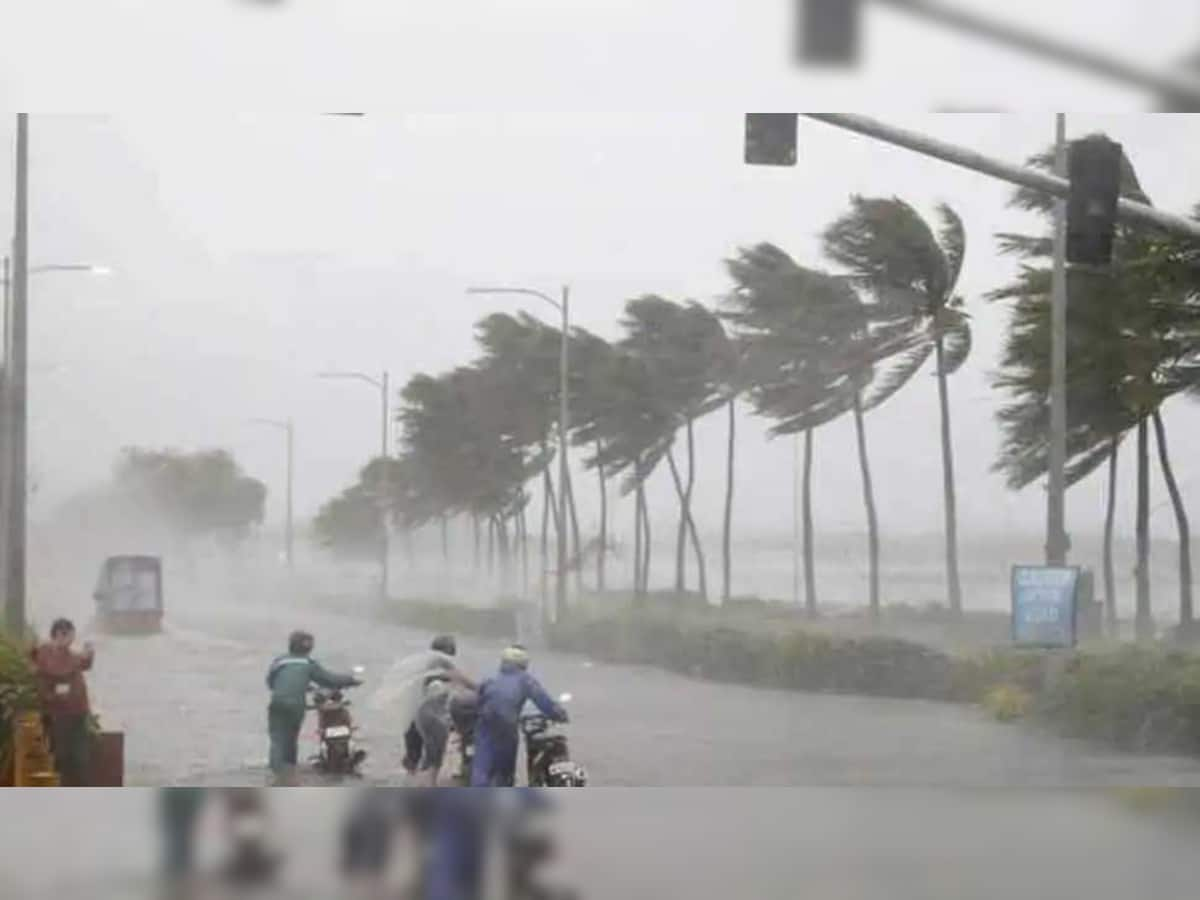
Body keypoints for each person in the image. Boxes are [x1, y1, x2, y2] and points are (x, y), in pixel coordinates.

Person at [265, 630, 360, 784]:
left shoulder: (279, 662)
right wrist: (351, 680)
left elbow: (270, 682)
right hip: (296, 706)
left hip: (277, 703)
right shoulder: (309, 664)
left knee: (277, 739)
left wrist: (297, 687)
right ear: (309, 649)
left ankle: (277, 775)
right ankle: (289, 771)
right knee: (291, 739)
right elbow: (329, 680)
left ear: (290, 645)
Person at [470, 645, 567, 787]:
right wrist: (560, 715)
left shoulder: (489, 678)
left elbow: (478, 702)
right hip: (507, 728)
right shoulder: (525, 680)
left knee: (482, 766)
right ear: (523, 664)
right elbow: (544, 702)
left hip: (485, 726)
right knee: (505, 770)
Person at [31, 618, 96, 786]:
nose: (68, 637)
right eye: (63, 633)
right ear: (55, 635)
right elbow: (57, 669)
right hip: (58, 715)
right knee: (61, 756)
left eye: (70, 633)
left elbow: (85, 664)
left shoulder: (70, 654)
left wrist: (89, 653)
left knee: (81, 757)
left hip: (78, 713)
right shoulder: (46, 652)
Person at [411, 635, 476, 785]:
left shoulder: (428, 665)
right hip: (434, 717)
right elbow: (463, 680)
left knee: (430, 756)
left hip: (422, 715)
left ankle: (422, 784)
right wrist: (483, 690)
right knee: (434, 759)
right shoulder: (442, 665)